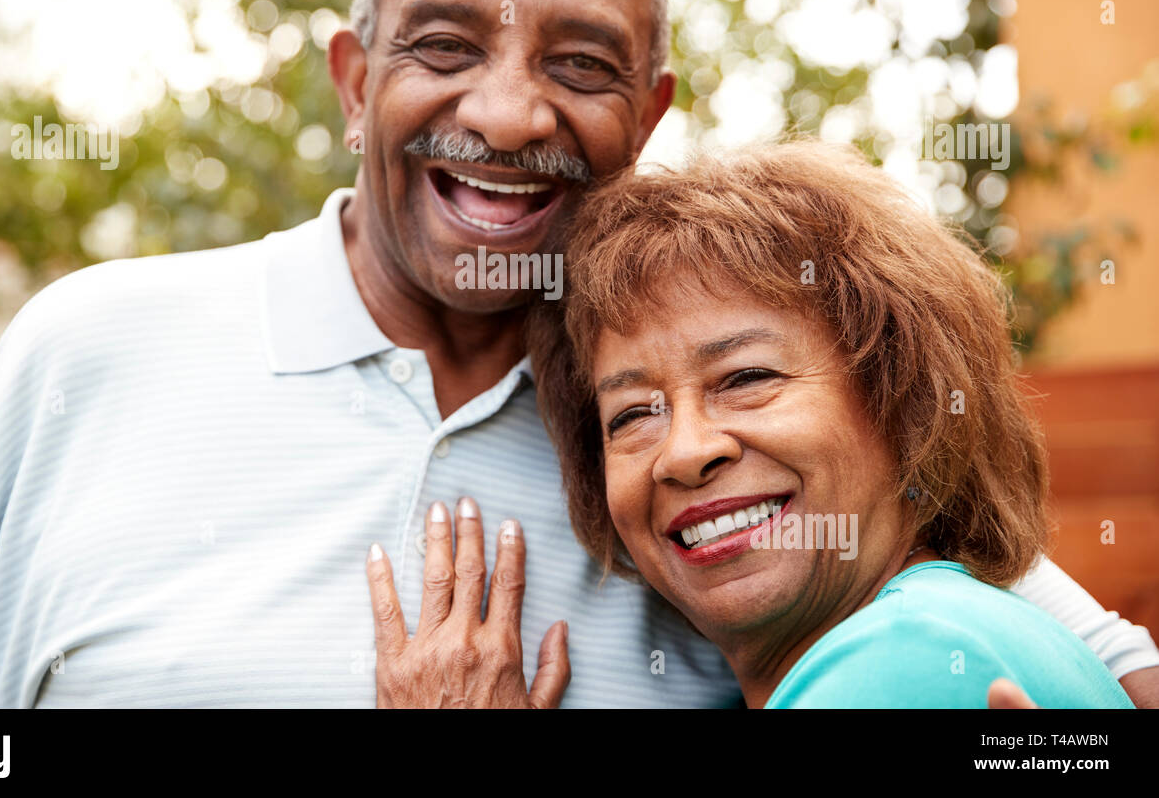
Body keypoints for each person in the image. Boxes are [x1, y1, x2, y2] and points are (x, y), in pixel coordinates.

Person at [0, 0, 1159, 708]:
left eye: (581, 63)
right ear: (353, 84)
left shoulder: (731, 478)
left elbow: (1080, 666)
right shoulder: (85, 355)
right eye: (445, 45)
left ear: (649, 115)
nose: (506, 116)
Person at [368, 141, 1138, 707]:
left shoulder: (905, 658)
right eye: (632, 413)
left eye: (746, 378)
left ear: (904, 404)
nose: (687, 452)